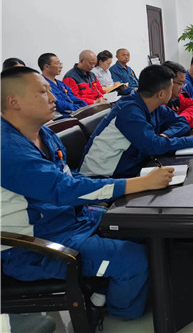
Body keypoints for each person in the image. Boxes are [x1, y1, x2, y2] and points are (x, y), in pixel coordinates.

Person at [1, 66, 174, 320]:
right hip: (33, 247)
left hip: (71, 221)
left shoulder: (43, 133)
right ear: (13, 101)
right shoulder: (7, 149)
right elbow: (63, 189)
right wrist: (139, 183)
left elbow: (69, 177)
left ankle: (105, 291)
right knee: (133, 259)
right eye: (43, 92)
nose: (54, 98)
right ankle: (120, 316)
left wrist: (120, 186)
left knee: (141, 228)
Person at [80, 65, 193, 178]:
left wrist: (165, 136)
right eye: (171, 88)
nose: (178, 90)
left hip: (133, 168)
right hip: (103, 178)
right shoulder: (129, 111)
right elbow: (154, 146)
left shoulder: (154, 105)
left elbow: (181, 123)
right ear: (161, 93)